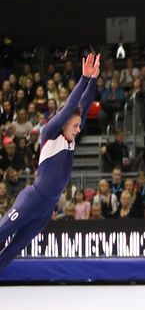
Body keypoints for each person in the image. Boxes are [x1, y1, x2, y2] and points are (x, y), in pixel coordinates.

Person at [0, 53, 99, 273]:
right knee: (2, 233)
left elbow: (83, 104)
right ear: (63, 123)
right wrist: (83, 78)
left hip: (46, 210)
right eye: (74, 125)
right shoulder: (50, 133)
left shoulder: (69, 137)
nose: (78, 129)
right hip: (32, 199)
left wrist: (94, 80)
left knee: (13, 250)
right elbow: (70, 106)